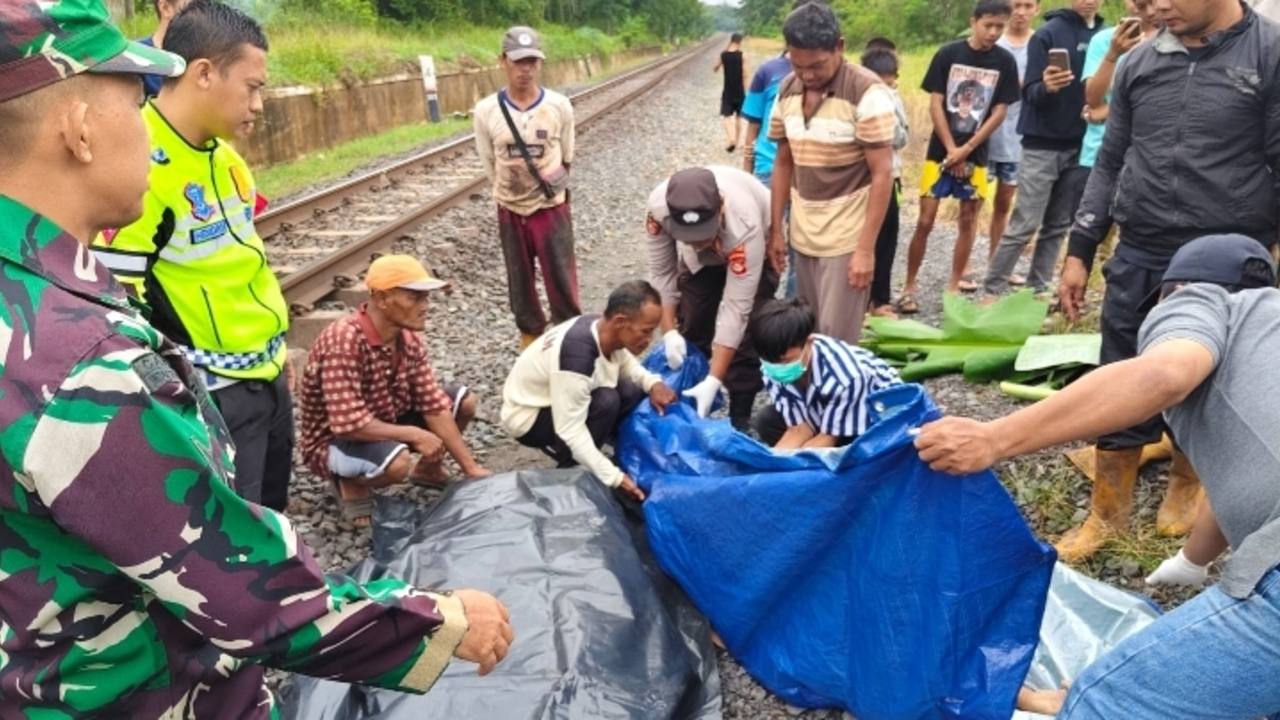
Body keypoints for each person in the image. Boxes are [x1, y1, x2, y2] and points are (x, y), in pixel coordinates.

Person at [0, 2, 513, 716]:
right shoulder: (87, 363)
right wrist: (447, 620)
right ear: (80, 129)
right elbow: (243, 591)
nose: (148, 126)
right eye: (136, 97)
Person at [917, 235, 1280, 719]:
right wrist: (1191, 563)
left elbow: (1164, 375)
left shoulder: (1207, 300)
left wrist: (994, 438)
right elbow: (1234, 477)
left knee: (1100, 702)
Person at [1055, 0, 1280, 561]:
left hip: (1229, 255)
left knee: (1212, 380)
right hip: (1143, 246)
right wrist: (1080, 247)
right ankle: (1108, 511)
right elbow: (1110, 160)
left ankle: (1188, 485)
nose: (1154, 7)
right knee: (1122, 369)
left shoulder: (1271, 53)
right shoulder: (1139, 62)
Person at [91, 0, 293, 512]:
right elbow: (120, 303)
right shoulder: (140, 166)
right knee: (237, 537)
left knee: (272, 516)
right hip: (216, 395)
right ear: (204, 73)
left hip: (267, 374)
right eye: (252, 87)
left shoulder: (225, 159)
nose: (258, 104)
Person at [297, 255, 491, 527]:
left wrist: (470, 469)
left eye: (426, 298)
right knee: (398, 464)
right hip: (334, 440)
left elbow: (432, 404)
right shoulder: (344, 340)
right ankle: (348, 479)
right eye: (415, 298)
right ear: (382, 299)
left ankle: (428, 470)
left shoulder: (407, 338)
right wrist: (413, 433)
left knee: (463, 403)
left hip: (382, 419)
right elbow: (347, 424)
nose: (425, 307)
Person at [767, 1, 896, 344]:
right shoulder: (787, 90)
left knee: (837, 339)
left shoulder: (866, 92)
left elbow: (882, 174)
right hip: (803, 232)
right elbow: (783, 161)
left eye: (817, 65)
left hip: (846, 238)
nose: (807, 74)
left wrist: (866, 249)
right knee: (807, 331)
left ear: (839, 47)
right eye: (797, 64)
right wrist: (776, 231)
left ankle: (838, 397)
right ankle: (808, 397)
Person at [500, 281, 678, 503]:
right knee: (607, 400)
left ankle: (598, 450)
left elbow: (626, 364)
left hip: (560, 398)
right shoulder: (576, 357)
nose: (649, 340)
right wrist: (615, 478)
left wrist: (654, 384)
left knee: (630, 390)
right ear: (620, 321)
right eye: (646, 331)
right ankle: (570, 467)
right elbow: (571, 430)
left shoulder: (602, 327)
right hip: (529, 417)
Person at [898, 0, 1020, 312]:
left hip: (977, 154)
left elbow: (999, 111)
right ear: (974, 21)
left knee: (969, 219)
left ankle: (953, 288)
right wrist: (952, 147)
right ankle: (909, 285)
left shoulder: (1004, 61)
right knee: (925, 219)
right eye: (988, 25)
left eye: (999, 27)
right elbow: (936, 103)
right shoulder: (948, 54)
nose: (993, 32)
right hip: (939, 152)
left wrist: (967, 149)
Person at [982, 0, 1103, 295]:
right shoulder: (1048, 34)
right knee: (1025, 223)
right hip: (1042, 143)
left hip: (1081, 143)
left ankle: (1038, 289)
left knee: (1058, 226)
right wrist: (1047, 87)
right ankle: (992, 289)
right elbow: (1030, 91)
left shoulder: (1105, 37)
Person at [645, 166, 777, 428]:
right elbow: (662, 273)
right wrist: (669, 331)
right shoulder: (658, 211)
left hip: (748, 240)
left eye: (702, 234)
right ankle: (686, 407)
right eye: (689, 237)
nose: (697, 242)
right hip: (703, 259)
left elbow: (736, 308)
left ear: (721, 208)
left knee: (748, 332)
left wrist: (716, 379)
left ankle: (740, 414)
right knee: (692, 319)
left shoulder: (744, 222)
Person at [473, 25, 579, 349]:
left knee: (561, 276)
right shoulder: (486, 111)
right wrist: (510, 192)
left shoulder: (559, 106)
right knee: (519, 281)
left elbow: (568, 156)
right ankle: (530, 339)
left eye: (532, 61)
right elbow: (489, 162)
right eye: (519, 61)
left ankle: (569, 339)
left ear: (540, 63)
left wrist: (548, 190)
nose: (526, 69)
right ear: (503, 61)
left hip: (550, 208)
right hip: (509, 207)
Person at [750, 299, 901, 448]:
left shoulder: (846, 376)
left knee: (859, 449)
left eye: (785, 361)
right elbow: (799, 429)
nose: (778, 368)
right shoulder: (771, 365)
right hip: (824, 411)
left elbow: (828, 438)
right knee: (767, 421)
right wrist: (772, 464)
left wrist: (790, 467)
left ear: (809, 342)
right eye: (770, 361)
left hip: (874, 417)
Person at [984, 0, 1039, 282]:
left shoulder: (1041, 43)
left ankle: (998, 263)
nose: (1021, 11)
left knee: (1006, 202)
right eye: (1016, 5)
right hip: (985, 134)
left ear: (1036, 10)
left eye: (1027, 5)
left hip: (1019, 134)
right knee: (972, 202)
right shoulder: (994, 41)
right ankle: (964, 266)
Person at [1079, 0, 1159, 173]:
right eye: (1137, 2)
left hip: (1148, 156)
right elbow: (1093, 99)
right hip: (1099, 151)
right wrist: (1113, 54)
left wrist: (1109, 110)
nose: (1146, 10)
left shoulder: (1173, 40)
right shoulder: (1104, 40)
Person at [861, 45, 910, 320]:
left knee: (887, 239)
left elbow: (902, 138)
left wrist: (889, 109)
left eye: (889, 80)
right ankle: (860, 300)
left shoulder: (894, 99)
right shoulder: (855, 96)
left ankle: (880, 300)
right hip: (860, 180)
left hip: (890, 177)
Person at [742, 49, 792, 188]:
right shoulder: (768, 71)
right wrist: (747, 178)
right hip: (769, 167)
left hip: (812, 174)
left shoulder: (828, 70)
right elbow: (754, 125)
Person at [137, 0, 193, 98]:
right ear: (165, 8)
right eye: (194, 5)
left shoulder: (209, 56)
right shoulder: (135, 60)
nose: (203, 10)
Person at [714, 32, 747, 153]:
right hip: (739, 91)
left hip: (727, 90)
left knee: (727, 116)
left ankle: (731, 138)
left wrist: (721, 60)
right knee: (739, 117)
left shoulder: (724, 55)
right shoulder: (742, 55)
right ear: (740, 41)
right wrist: (746, 90)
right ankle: (737, 142)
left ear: (731, 40)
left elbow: (715, 68)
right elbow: (745, 74)